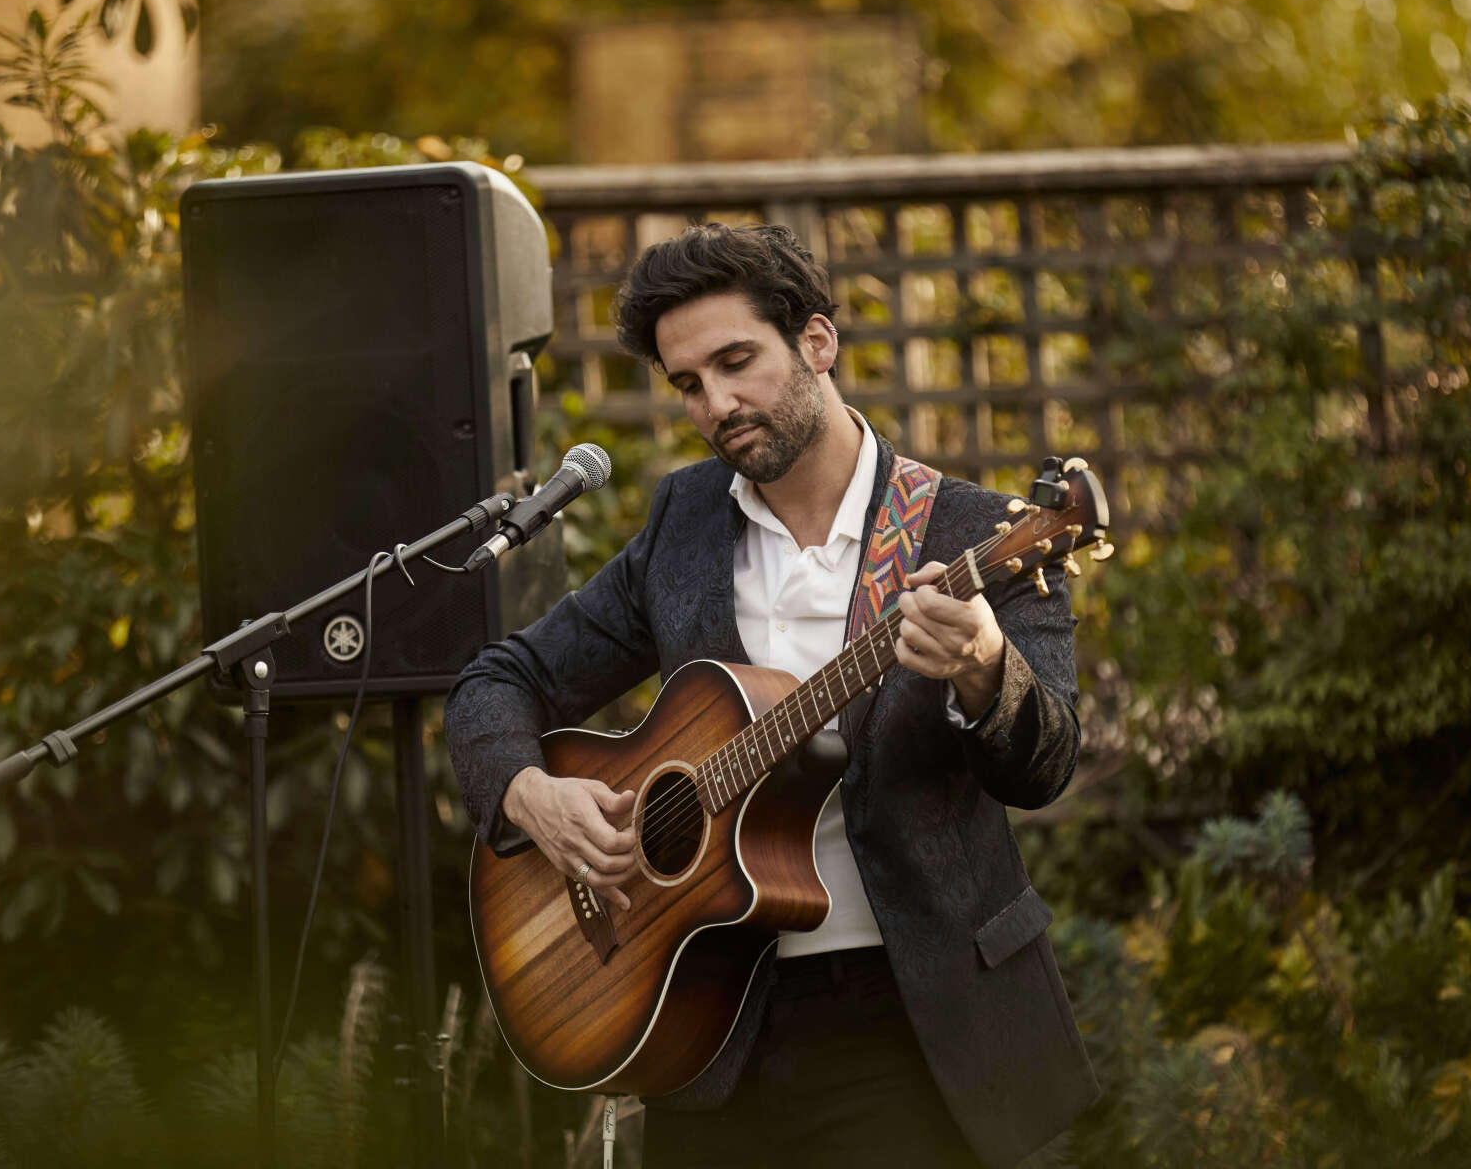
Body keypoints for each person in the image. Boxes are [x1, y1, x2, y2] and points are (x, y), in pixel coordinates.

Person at [444, 223, 1097, 1168]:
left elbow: (1047, 764)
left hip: (912, 1020)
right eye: (688, 384)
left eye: (736, 362)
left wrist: (987, 667)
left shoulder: (977, 534)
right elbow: (499, 681)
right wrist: (528, 795)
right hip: (705, 1018)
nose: (716, 404)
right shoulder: (684, 525)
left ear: (817, 342)